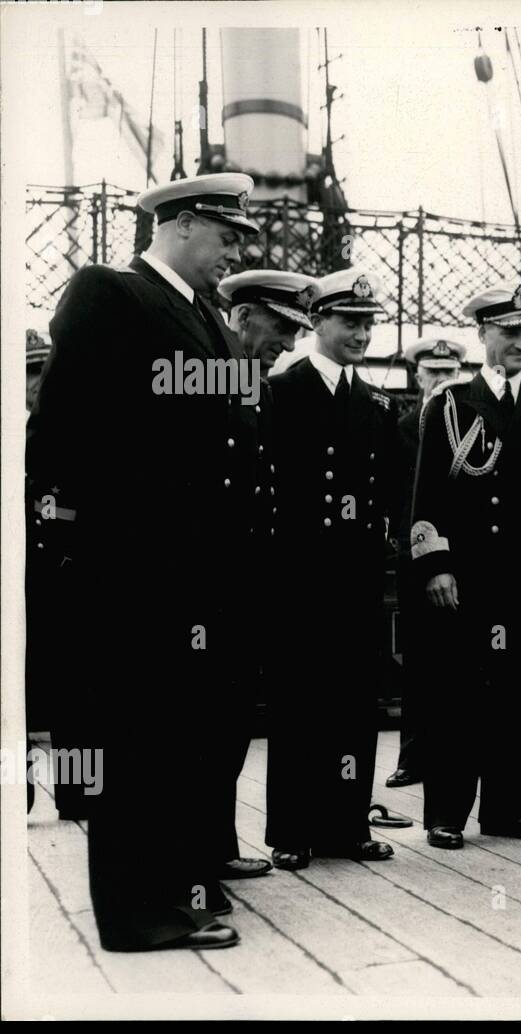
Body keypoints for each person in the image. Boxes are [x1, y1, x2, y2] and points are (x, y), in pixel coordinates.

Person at [27, 172, 265, 951]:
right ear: (184, 224)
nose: (233, 254)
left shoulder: (212, 322)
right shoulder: (111, 294)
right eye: (227, 238)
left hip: (199, 571)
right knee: (132, 741)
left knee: (177, 740)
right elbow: (60, 431)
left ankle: (171, 891)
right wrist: (95, 543)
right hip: (134, 568)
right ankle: (134, 915)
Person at [413, 279, 521, 850]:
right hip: (469, 576)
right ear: (482, 333)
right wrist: (436, 564)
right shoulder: (451, 405)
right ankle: (447, 814)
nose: (520, 341)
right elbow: (427, 493)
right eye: (509, 331)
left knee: (516, 695)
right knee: (460, 695)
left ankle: (508, 810)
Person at [264, 268, 401, 870]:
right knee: (299, 704)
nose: (361, 333)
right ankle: (293, 828)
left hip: (356, 577)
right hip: (297, 576)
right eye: (349, 322)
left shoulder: (377, 403)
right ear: (317, 321)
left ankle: (346, 824)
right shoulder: (281, 391)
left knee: (351, 703)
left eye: (368, 323)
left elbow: (390, 495)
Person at [212, 268, 315, 879]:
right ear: (244, 316)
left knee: (229, 723)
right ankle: (193, 850)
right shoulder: (204, 374)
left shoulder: (260, 388)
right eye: (281, 327)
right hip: (203, 582)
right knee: (199, 724)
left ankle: (216, 845)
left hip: (246, 583)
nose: (290, 343)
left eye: (299, 330)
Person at [385, 336, 467, 790]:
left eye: (449, 373)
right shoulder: (401, 425)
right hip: (414, 553)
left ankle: (453, 758)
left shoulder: (467, 423)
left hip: (458, 556)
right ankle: (413, 758)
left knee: (457, 660)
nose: (441, 381)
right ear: (418, 377)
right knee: (417, 660)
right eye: (433, 373)